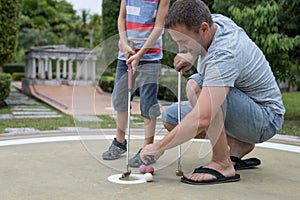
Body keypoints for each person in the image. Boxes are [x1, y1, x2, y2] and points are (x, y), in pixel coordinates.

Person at [141, 0, 285, 185]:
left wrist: (159, 147)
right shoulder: (214, 22)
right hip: (242, 107)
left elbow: (203, 118)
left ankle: (222, 163)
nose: (180, 49)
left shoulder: (224, 53)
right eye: (177, 42)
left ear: (203, 29)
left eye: (184, 41)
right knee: (171, 118)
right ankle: (238, 144)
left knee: (196, 86)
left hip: (265, 118)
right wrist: (191, 53)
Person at [102, 0, 171, 168]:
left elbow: (159, 26)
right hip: (125, 54)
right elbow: (121, 18)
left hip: (150, 57)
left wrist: (140, 54)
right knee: (120, 99)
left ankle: (147, 150)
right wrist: (124, 44)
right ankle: (119, 142)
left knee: (148, 103)